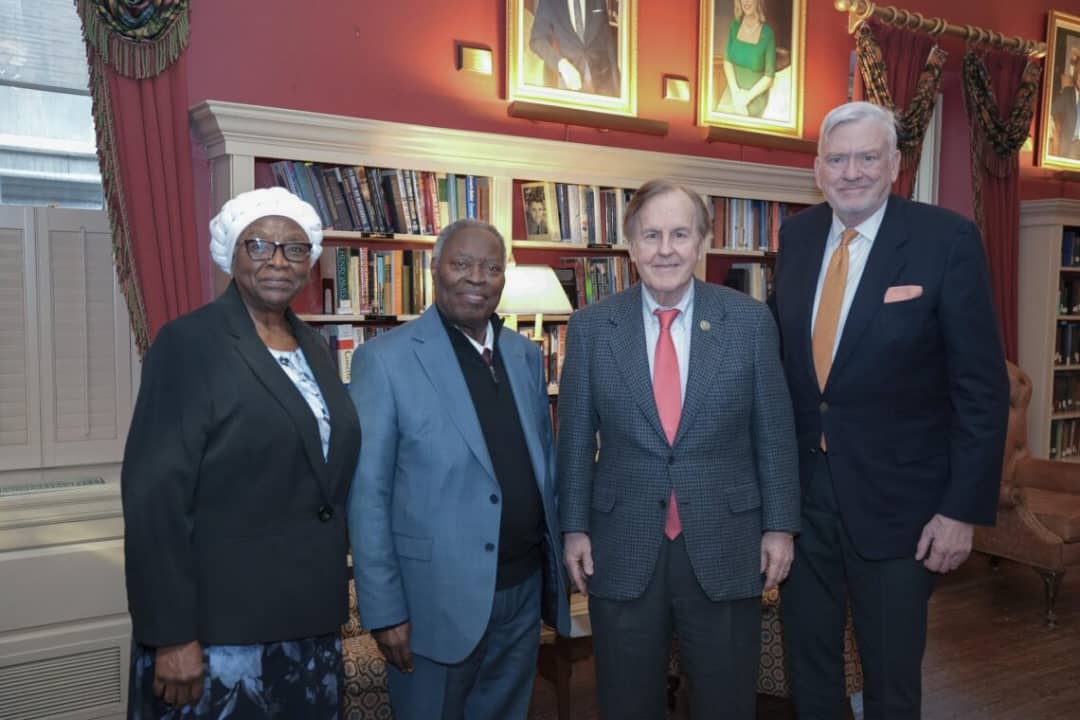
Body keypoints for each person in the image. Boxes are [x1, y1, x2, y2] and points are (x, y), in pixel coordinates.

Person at [770, 101, 1009, 719]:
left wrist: (960, 510)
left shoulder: (945, 239)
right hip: (805, 499)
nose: (852, 172)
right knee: (811, 667)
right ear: (818, 169)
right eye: (838, 158)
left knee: (891, 681)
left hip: (903, 507)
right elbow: (789, 370)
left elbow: (981, 389)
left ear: (895, 165)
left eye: (868, 157)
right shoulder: (795, 237)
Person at [558, 179, 800, 720]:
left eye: (679, 234)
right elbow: (573, 439)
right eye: (651, 235)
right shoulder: (593, 327)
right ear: (630, 245)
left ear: (702, 243)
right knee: (625, 701)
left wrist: (780, 526)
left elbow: (775, 433)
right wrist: (574, 527)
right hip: (620, 545)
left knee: (725, 701)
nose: (665, 248)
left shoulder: (749, 321)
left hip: (727, 540)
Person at [122, 186, 362, 719]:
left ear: (311, 260)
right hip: (218, 634)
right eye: (259, 245)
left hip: (307, 622)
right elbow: (155, 501)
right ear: (231, 253)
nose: (278, 261)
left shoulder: (315, 348)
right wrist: (171, 636)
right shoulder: (189, 344)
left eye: (294, 248)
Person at [347, 218, 570, 720]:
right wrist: (384, 611)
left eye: (492, 267)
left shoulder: (523, 356)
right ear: (435, 270)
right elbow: (367, 496)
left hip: (522, 590)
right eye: (462, 264)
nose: (477, 278)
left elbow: (544, 465)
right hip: (434, 604)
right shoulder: (384, 361)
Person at [529, 0, 620, 96]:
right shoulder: (550, 2)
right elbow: (537, 40)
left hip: (602, 83)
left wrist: (616, 83)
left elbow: (607, 40)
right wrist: (562, 65)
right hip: (570, 82)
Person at [721, 0, 776, 117]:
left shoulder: (768, 33)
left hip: (755, 97)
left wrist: (746, 98)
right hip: (733, 90)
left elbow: (769, 77)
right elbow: (727, 61)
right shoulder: (734, 26)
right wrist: (735, 92)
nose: (746, 2)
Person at [1051, 62, 1080, 159]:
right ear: (1076, 76)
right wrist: (1057, 126)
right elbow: (1051, 111)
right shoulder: (1067, 93)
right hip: (1071, 146)